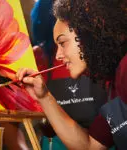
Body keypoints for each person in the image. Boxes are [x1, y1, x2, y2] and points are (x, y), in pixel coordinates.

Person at [16, 0, 127, 149]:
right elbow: (89, 146)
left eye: (62, 43)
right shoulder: (114, 86)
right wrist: (44, 96)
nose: (58, 55)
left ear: (91, 31)